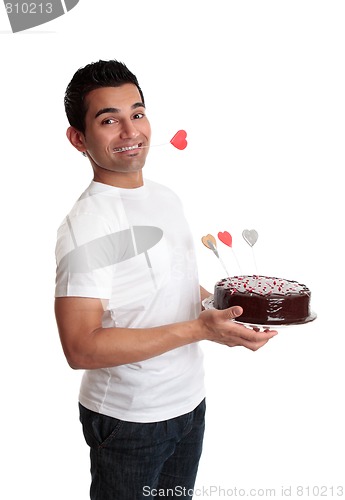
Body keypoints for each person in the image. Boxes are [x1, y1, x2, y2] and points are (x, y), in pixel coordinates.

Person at [54, 59, 278, 500]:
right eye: (109, 120)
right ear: (78, 139)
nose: (130, 131)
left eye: (137, 114)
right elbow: (80, 347)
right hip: (129, 420)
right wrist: (200, 329)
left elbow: (172, 286)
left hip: (189, 403)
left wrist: (227, 310)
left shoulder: (163, 197)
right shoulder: (89, 224)